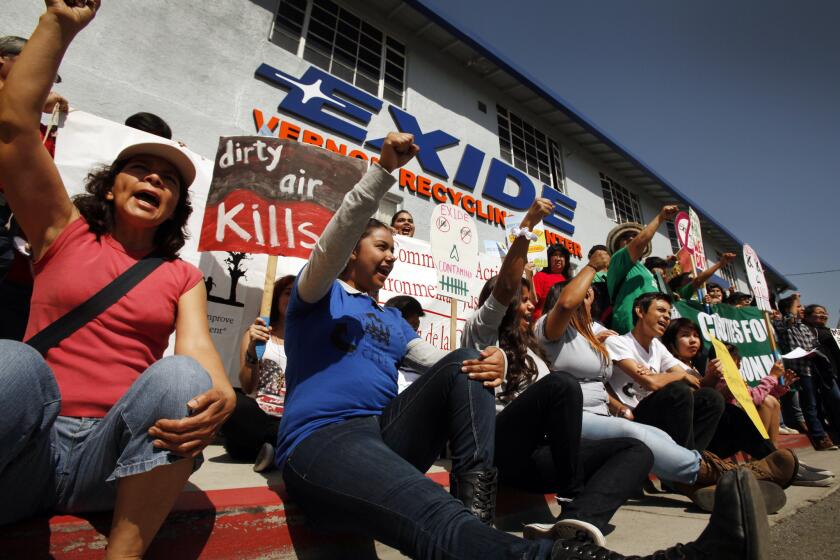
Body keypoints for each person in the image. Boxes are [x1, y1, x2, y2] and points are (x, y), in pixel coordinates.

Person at [0, 3, 235, 558]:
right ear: (109, 187)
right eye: (141, 169)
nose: (156, 177)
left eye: (170, 180)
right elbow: (12, 131)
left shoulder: (181, 276)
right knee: (13, 361)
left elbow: (197, 351)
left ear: (176, 206)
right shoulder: (62, 231)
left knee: (182, 377)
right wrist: (58, 23)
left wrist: (220, 391)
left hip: (111, 462)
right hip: (29, 451)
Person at [463, 201, 653, 546]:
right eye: (520, 300)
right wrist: (531, 221)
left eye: (528, 299)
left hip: (537, 459)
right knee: (563, 385)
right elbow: (505, 287)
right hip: (497, 447)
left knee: (636, 450)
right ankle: (571, 493)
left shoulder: (535, 354)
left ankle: (575, 521)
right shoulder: (480, 333)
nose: (526, 306)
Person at [539, 266, 794, 514]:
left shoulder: (600, 342)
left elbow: (693, 382)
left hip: (617, 415)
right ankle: (725, 476)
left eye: (669, 313)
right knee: (663, 409)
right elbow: (655, 383)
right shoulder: (560, 331)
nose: (588, 304)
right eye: (660, 310)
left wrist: (700, 376)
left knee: (711, 401)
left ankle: (749, 465)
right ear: (640, 311)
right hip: (601, 416)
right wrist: (593, 266)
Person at [220, 275, 295, 473]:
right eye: (288, 293)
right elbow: (246, 387)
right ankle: (281, 447)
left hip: (288, 418)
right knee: (231, 402)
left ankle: (270, 450)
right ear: (277, 297)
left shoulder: (306, 342)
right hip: (257, 416)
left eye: (298, 294)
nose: (293, 298)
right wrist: (253, 353)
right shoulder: (257, 335)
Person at [775, 293, 838, 450]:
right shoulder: (783, 325)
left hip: (816, 369)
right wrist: (794, 298)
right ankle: (820, 438)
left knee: (824, 402)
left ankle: (828, 430)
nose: (802, 309)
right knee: (809, 404)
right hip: (800, 370)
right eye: (798, 307)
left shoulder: (805, 327)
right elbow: (789, 316)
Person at [605, 205, 678, 334]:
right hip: (630, 332)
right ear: (617, 245)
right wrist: (661, 217)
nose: (631, 238)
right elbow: (638, 243)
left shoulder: (646, 271)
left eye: (635, 235)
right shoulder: (617, 259)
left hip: (652, 337)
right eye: (625, 237)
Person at [384, 294, 425, 393]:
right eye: (410, 316)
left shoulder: (422, 353)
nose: (416, 321)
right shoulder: (380, 352)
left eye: (417, 316)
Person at [532, 243, 571, 320]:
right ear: (549, 258)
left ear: (566, 261)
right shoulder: (540, 276)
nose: (558, 258)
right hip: (539, 324)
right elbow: (532, 301)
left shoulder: (570, 283)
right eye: (555, 255)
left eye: (562, 256)